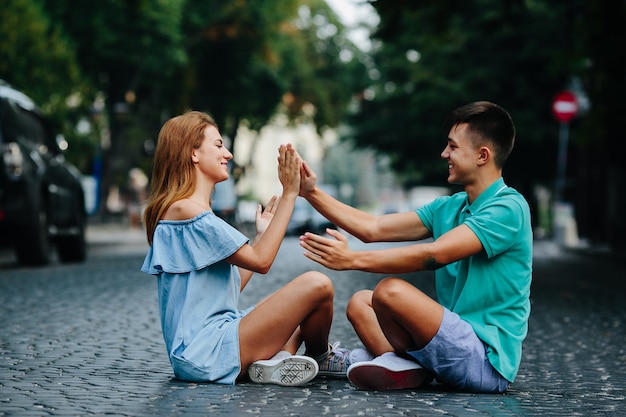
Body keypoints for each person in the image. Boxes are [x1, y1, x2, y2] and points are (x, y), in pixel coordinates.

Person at [297, 101, 532, 393]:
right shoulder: (451, 207)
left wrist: (353, 260)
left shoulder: (509, 207)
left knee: (390, 292)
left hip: (485, 360)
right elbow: (373, 228)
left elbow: (436, 254)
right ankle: (408, 366)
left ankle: (399, 361)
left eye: (453, 147)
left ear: (483, 155)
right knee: (361, 302)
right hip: (452, 341)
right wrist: (311, 193)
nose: (444, 154)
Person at [140, 111, 350, 386]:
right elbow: (262, 262)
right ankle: (320, 357)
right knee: (317, 285)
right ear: (193, 154)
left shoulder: (184, 211)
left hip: (206, 348)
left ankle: (274, 362)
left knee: (301, 314)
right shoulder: (187, 211)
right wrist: (289, 193)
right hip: (208, 352)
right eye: (218, 145)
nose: (227, 154)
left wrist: (262, 234)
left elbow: (228, 286)